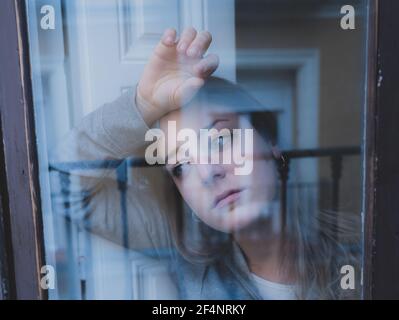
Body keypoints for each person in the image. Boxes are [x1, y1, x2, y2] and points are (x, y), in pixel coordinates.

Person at [51, 28, 360, 299]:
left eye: (220, 140)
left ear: (272, 146)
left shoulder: (359, 250)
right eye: (181, 166)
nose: (208, 173)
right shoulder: (182, 248)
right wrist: (142, 106)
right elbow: (65, 184)